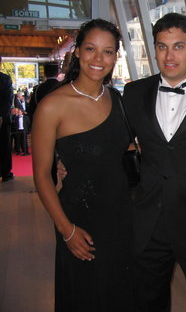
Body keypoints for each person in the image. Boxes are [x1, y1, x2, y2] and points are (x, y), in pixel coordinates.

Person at [32, 18, 133, 312]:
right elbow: (41, 176)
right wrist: (67, 230)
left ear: (116, 56)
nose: (99, 59)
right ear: (77, 51)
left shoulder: (117, 99)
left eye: (108, 51)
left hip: (121, 217)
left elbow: (117, 149)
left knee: (120, 295)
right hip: (79, 220)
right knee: (85, 296)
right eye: (91, 49)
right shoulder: (53, 106)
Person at [122, 13, 186, 312]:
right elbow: (117, 143)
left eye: (178, 46)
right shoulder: (134, 93)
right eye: (162, 47)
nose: (169, 55)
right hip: (149, 220)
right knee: (146, 300)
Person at [29, 61, 61, 184]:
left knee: (48, 157)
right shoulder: (64, 87)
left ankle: (51, 181)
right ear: (58, 72)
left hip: (43, 128)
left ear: (45, 73)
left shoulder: (38, 89)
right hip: (62, 127)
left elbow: (31, 110)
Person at [0, 55, 14, 182]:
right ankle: (5, 172)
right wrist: (1, 116)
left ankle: (5, 172)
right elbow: (8, 100)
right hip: (2, 119)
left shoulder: (5, 79)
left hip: (2, 118)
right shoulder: (5, 79)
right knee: (4, 146)